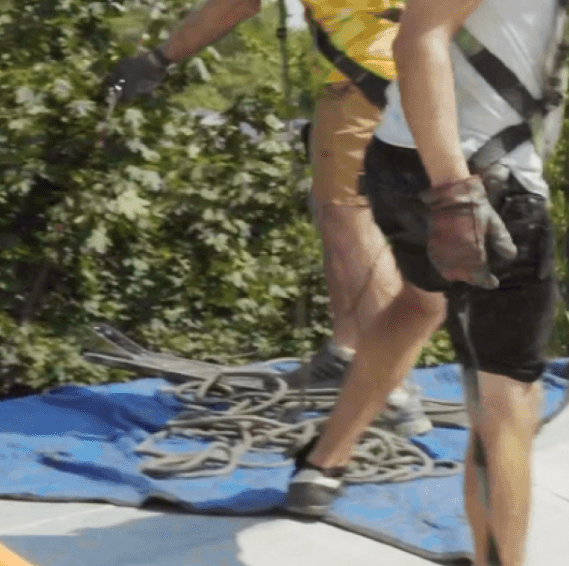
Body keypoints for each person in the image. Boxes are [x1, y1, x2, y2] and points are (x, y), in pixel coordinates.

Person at [281, 0, 569, 561]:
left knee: (419, 302)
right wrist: (455, 196)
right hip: (475, 182)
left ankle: (325, 461)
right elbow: (420, 38)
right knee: (508, 398)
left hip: (408, 165)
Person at [103, 0, 431, 433]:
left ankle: (388, 389)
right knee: (339, 209)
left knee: (350, 216)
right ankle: (347, 354)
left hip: (367, 74)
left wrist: (159, 59)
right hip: (420, 68)